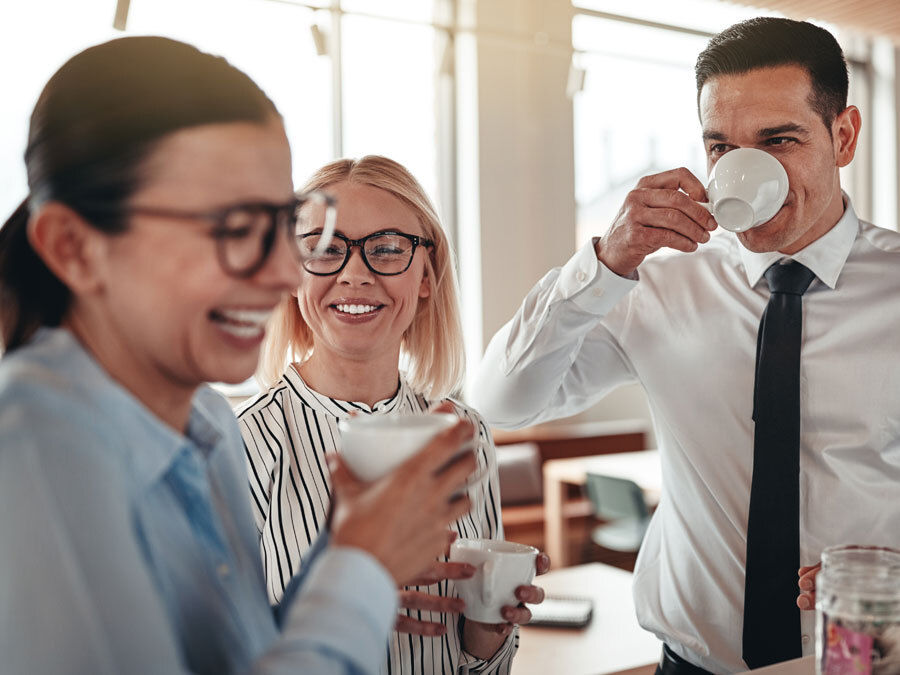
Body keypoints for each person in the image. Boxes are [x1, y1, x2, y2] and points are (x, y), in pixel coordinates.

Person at [0, 36, 478, 674]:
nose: (287, 275)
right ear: (76, 248)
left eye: (283, 224)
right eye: (233, 228)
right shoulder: (32, 462)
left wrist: (341, 551)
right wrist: (359, 570)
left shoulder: (209, 425)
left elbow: (242, 657)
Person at [470, 17, 900, 675]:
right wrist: (602, 264)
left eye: (778, 140)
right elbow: (500, 399)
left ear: (843, 137)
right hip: (689, 665)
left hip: (864, 660)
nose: (744, 168)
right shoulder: (656, 281)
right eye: (721, 147)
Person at [236, 155, 549, 674]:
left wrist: (487, 632)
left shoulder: (466, 435)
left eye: (385, 249)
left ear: (426, 276)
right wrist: (337, 611)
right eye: (323, 249)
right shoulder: (241, 443)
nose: (354, 274)